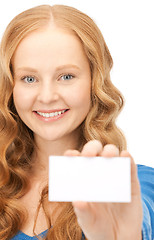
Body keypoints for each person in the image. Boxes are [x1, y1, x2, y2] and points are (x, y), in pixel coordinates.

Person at [0, 4, 153, 240]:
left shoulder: (136, 183)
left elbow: (141, 213)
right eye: (29, 78)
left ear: (95, 80)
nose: (47, 96)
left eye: (66, 76)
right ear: (11, 87)